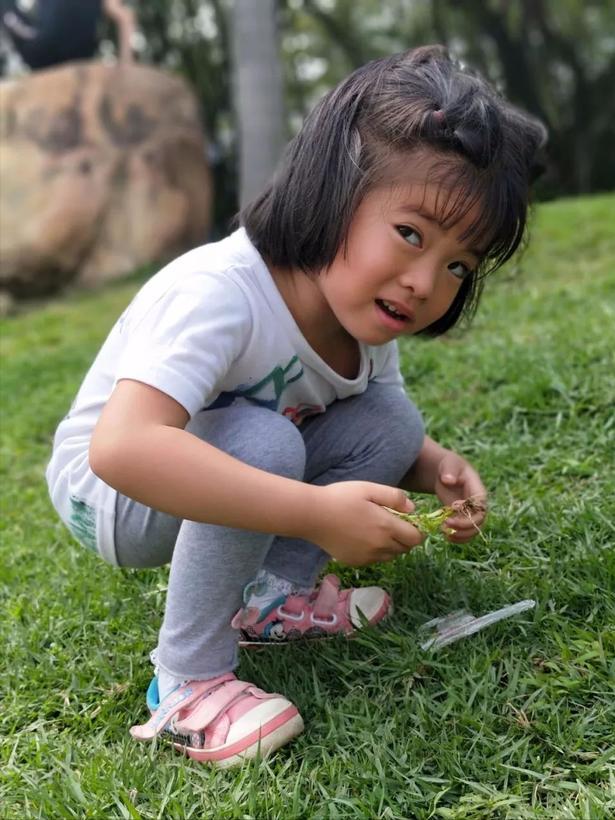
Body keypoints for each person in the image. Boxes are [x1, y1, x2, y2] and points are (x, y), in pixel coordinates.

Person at [46, 45, 546, 766]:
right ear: (333, 188)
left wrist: (433, 468)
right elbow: (121, 448)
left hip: (216, 460)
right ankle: (184, 682)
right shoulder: (220, 291)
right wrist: (314, 514)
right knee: (263, 441)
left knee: (392, 424)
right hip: (113, 497)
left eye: (457, 265)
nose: (423, 282)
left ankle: (269, 602)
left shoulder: (366, 314)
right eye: (409, 234)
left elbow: (377, 424)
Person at [0, 0, 135, 70]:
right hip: (82, 52)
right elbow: (123, 16)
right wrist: (127, 65)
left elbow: (124, 17)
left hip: (46, 45)